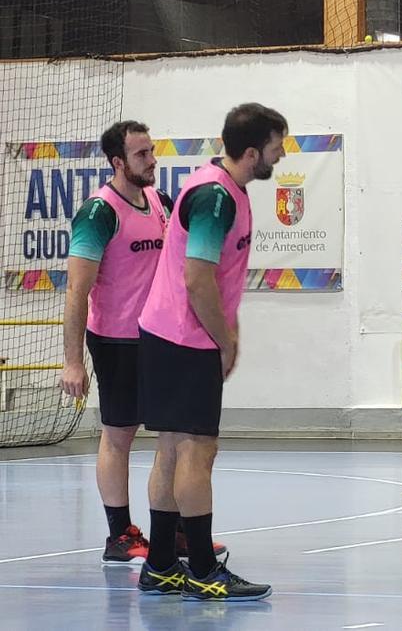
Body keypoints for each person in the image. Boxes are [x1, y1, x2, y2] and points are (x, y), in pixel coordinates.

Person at [135, 103, 287, 601]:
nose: (280, 155)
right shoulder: (215, 197)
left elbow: (219, 280)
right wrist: (226, 340)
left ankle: (160, 564)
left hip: (173, 336)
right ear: (250, 152)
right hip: (183, 338)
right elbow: (197, 279)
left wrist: (230, 330)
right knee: (197, 452)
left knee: (174, 449)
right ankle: (201, 569)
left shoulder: (229, 190)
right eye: (275, 146)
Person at [61, 121, 222, 565]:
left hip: (161, 339)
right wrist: (73, 361)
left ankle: (176, 534)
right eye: (141, 155)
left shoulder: (158, 201)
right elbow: (76, 291)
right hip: (116, 341)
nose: (152, 161)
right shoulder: (99, 213)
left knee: (175, 437)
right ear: (118, 162)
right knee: (119, 435)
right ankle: (120, 535)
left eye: (152, 151)